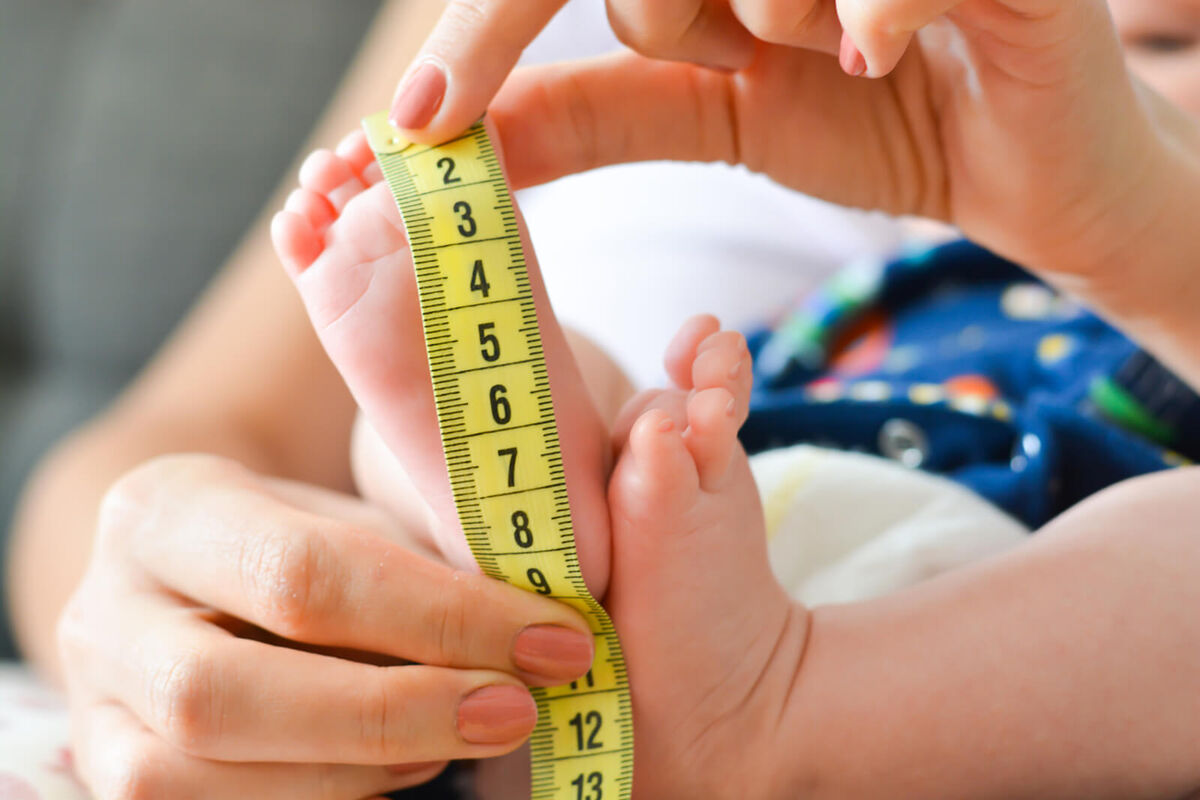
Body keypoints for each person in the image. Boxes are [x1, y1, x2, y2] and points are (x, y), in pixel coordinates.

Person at [11, 1, 1200, 798]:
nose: (1126, 86)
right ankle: (507, 466)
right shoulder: (881, 286)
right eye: (1161, 41)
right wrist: (235, 610)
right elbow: (181, 445)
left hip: (1025, 569)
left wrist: (1155, 241)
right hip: (744, 521)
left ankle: (782, 712)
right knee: (617, 411)